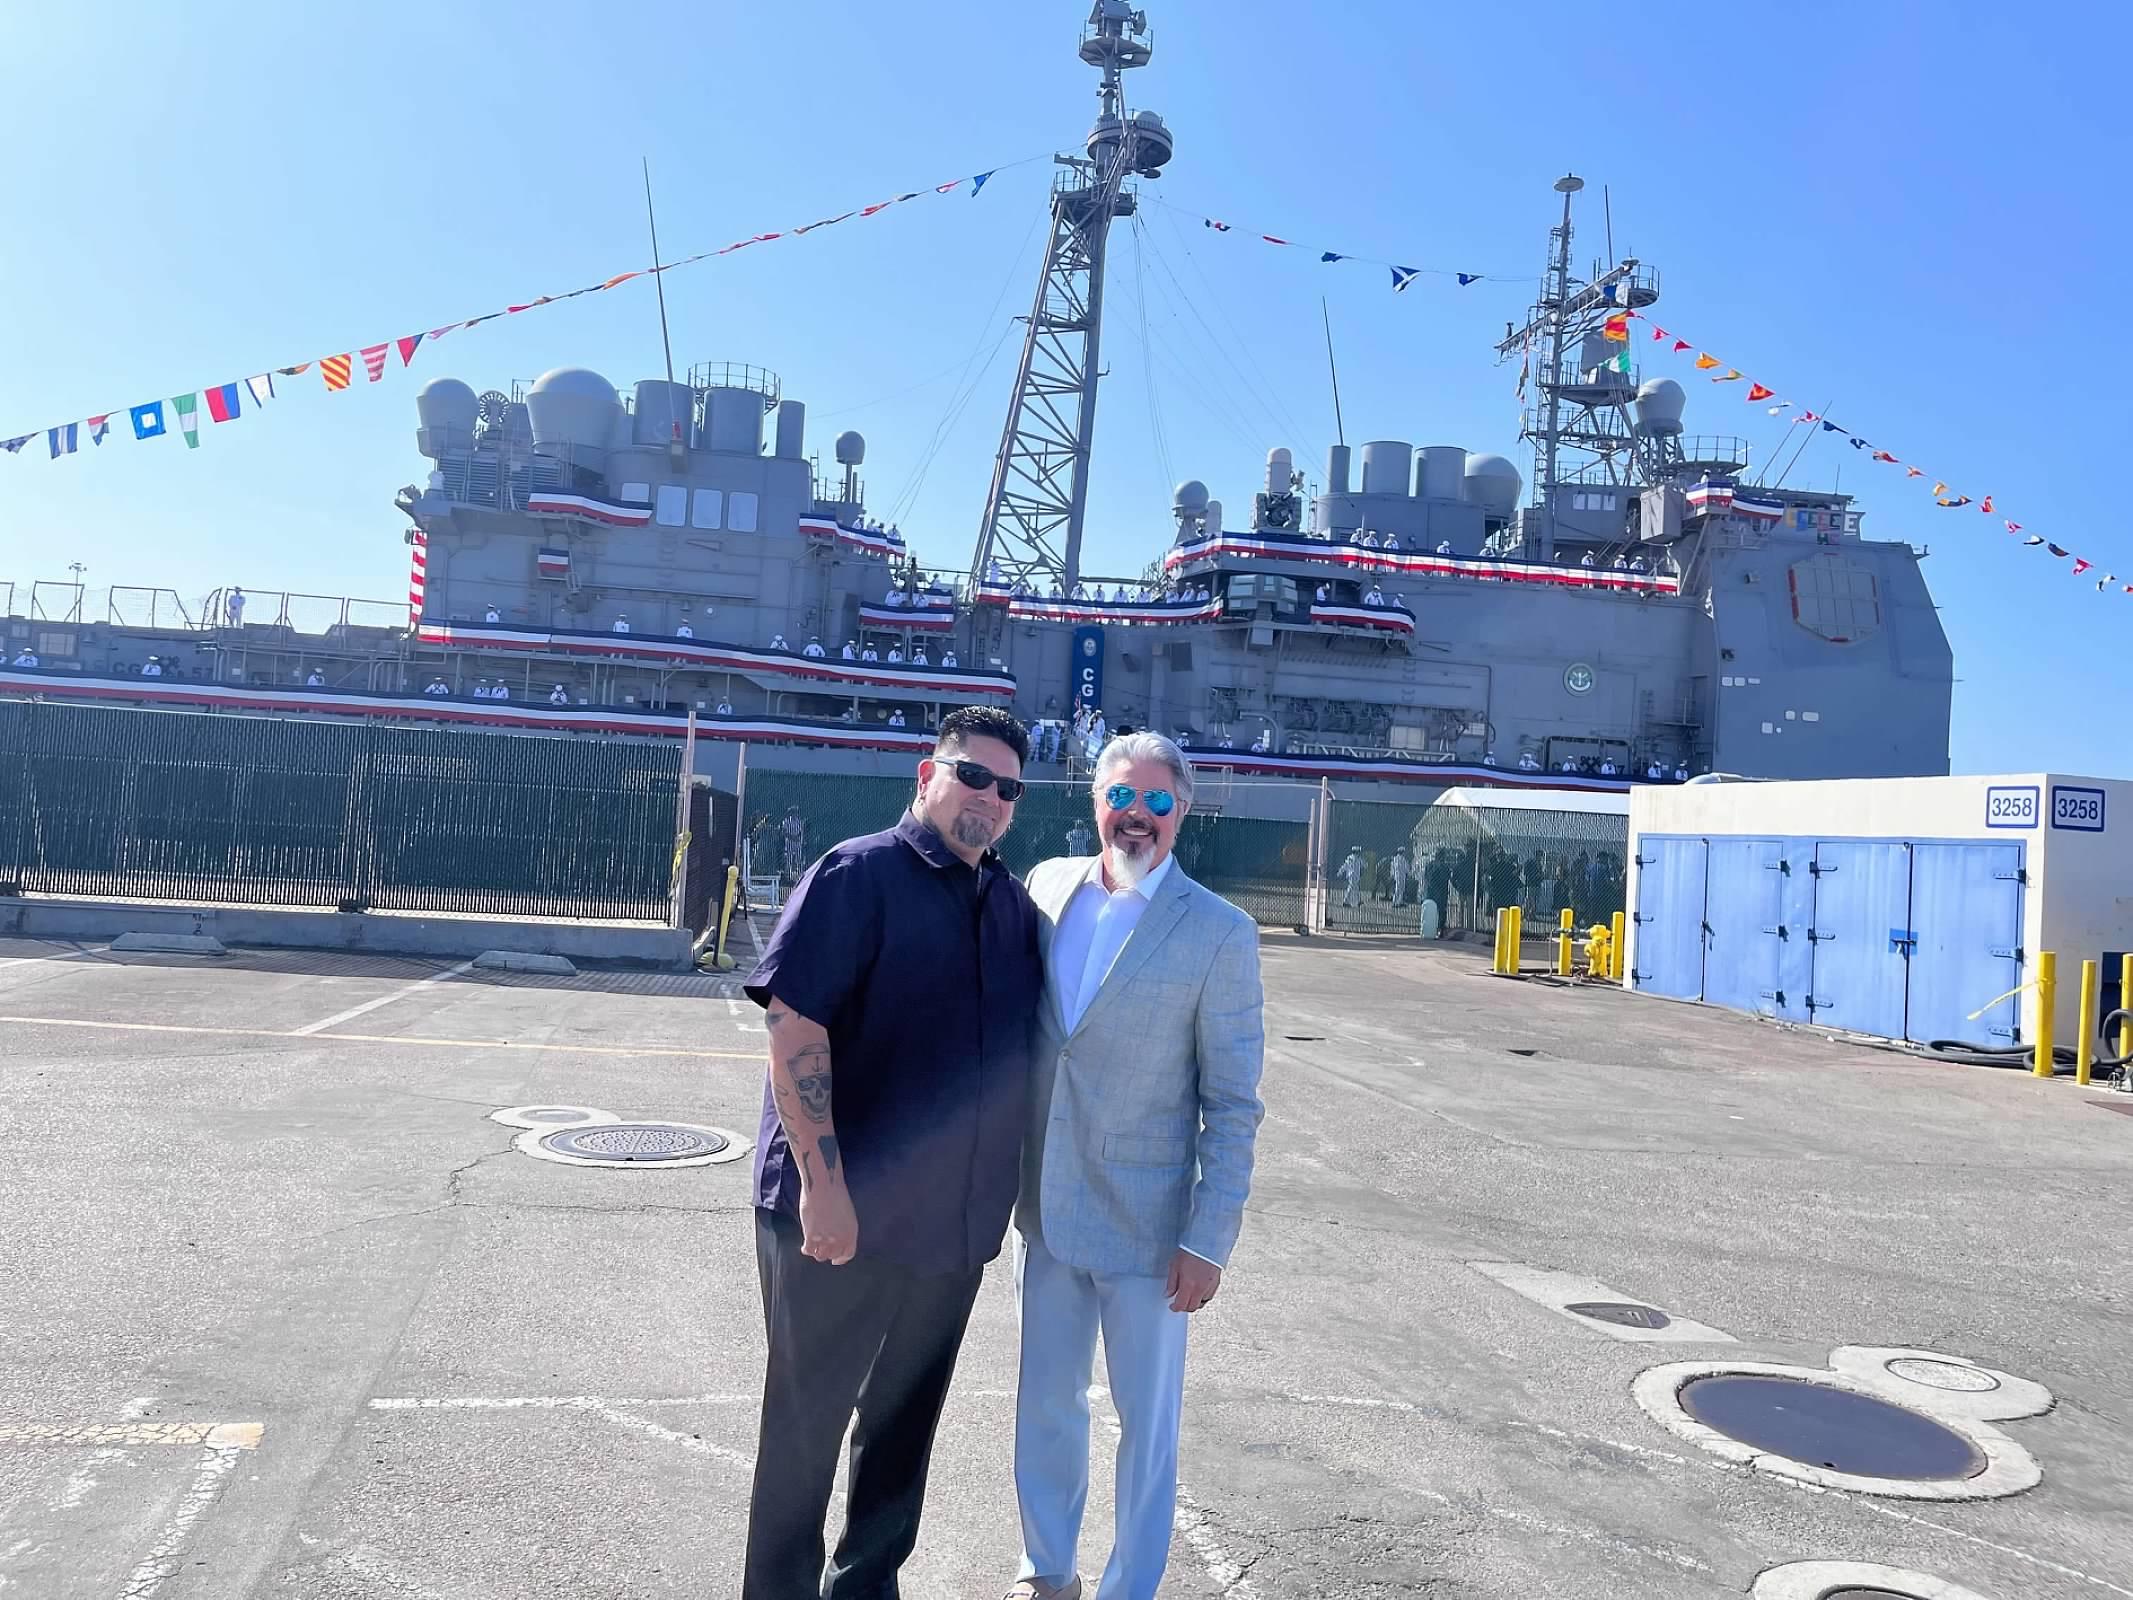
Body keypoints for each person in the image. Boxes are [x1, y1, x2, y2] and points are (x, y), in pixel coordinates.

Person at [741, 707, 1041, 1600]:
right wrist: (823, 1190)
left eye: (1007, 787)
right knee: (805, 1430)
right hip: (844, 1213)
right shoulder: (859, 874)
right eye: (970, 775)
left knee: (903, 1431)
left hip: (949, 1233)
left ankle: (865, 1589)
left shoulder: (1012, 908)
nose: (986, 797)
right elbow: (795, 1028)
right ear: (926, 775)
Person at [1009, 732, 1265, 1600]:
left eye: (1159, 802)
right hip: (1045, 1205)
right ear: (1094, 800)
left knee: (1144, 1428)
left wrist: (1210, 1238)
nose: (1138, 817)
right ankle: (1045, 1571)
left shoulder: (1220, 934)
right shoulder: (1047, 887)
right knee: (1046, 1406)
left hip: (1151, 1231)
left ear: (1182, 812)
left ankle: (1129, 1588)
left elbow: (1231, 1105)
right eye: (1123, 796)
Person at [780, 807, 809, 881]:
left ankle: (800, 875)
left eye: (795, 812)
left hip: (798, 843)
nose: (794, 814)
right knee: (788, 860)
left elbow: (802, 832)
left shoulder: (799, 822)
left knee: (798, 860)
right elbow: (784, 832)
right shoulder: (786, 822)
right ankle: (788, 876)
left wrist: (798, 838)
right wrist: (792, 837)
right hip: (789, 843)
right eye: (793, 812)